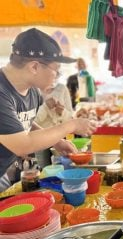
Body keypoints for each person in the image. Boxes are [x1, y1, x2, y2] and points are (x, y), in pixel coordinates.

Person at [0, 28, 97, 192]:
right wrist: (70, 126)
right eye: (56, 70)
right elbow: (23, 144)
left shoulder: (31, 90)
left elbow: (25, 124)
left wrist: (57, 142)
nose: (57, 75)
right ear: (34, 67)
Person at [34, 83, 74, 167]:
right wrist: (45, 107)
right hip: (40, 139)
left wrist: (62, 112)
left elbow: (70, 117)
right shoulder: (33, 90)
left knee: (62, 167)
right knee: (43, 170)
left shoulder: (62, 88)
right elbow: (31, 122)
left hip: (59, 137)